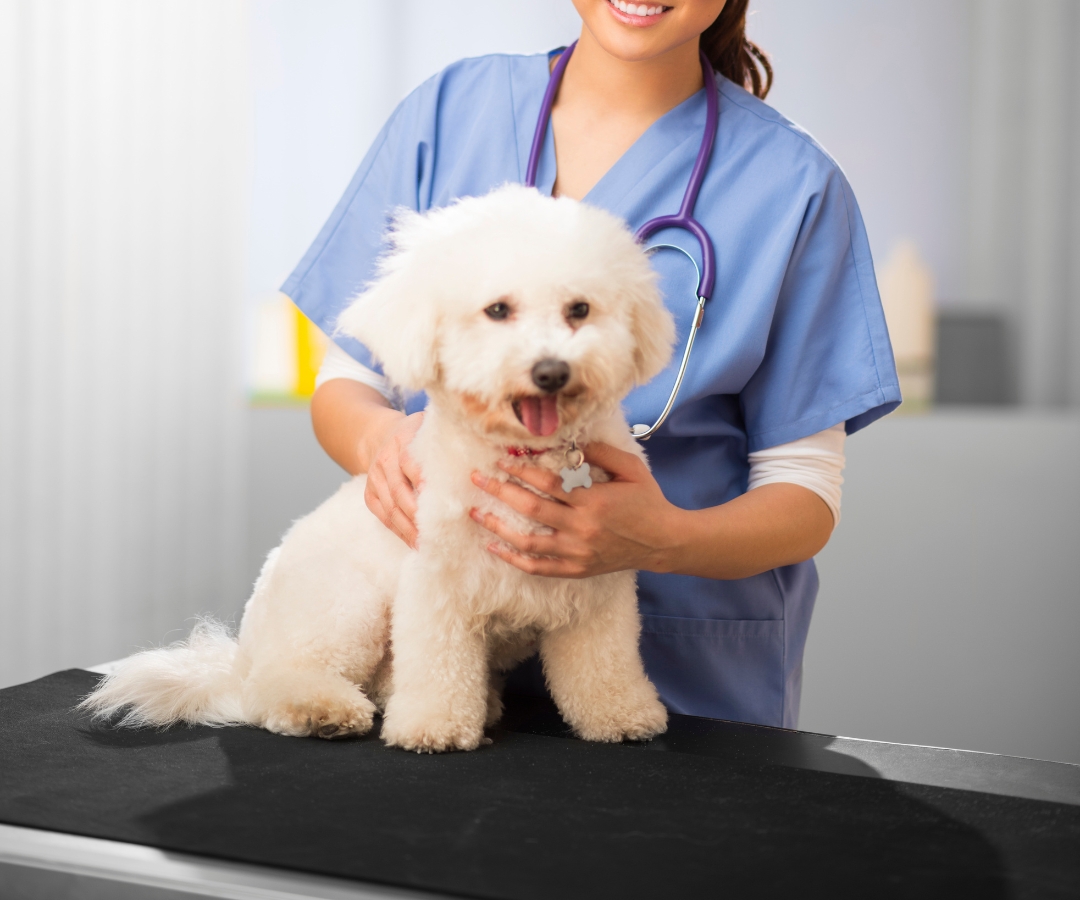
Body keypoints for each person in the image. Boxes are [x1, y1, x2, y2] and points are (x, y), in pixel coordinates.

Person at [281, 0, 900, 729]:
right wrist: (381, 443)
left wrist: (663, 539)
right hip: (440, 667)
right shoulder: (450, 112)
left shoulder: (794, 184)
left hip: (683, 679)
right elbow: (349, 381)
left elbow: (803, 495)